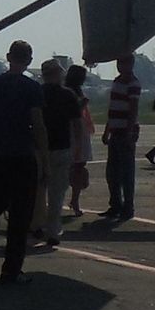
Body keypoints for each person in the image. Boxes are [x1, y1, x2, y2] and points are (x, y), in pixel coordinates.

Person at [0, 40, 46, 284]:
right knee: (20, 216)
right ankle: (11, 269)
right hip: (22, 156)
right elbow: (37, 124)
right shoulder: (32, 88)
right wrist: (43, 156)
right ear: (29, 60)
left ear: (8, 56)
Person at [37, 58, 76, 247]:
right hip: (61, 147)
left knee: (36, 191)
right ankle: (52, 231)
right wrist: (77, 149)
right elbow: (76, 124)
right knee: (56, 194)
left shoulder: (36, 94)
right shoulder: (67, 95)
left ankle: (35, 225)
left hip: (38, 148)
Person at [101, 55, 141, 222]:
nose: (120, 66)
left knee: (126, 173)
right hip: (115, 130)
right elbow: (113, 108)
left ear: (130, 64)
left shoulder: (133, 83)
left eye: (123, 63)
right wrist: (107, 130)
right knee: (112, 172)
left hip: (125, 132)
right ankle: (115, 204)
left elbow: (133, 110)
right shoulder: (117, 81)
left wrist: (130, 133)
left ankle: (128, 206)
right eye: (118, 63)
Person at [66, 66, 94, 217]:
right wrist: (81, 104)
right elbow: (72, 112)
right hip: (72, 130)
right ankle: (73, 200)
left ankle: (74, 199)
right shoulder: (68, 92)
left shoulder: (78, 90)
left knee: (79, 165)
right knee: (72, 165)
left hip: (81, 130)